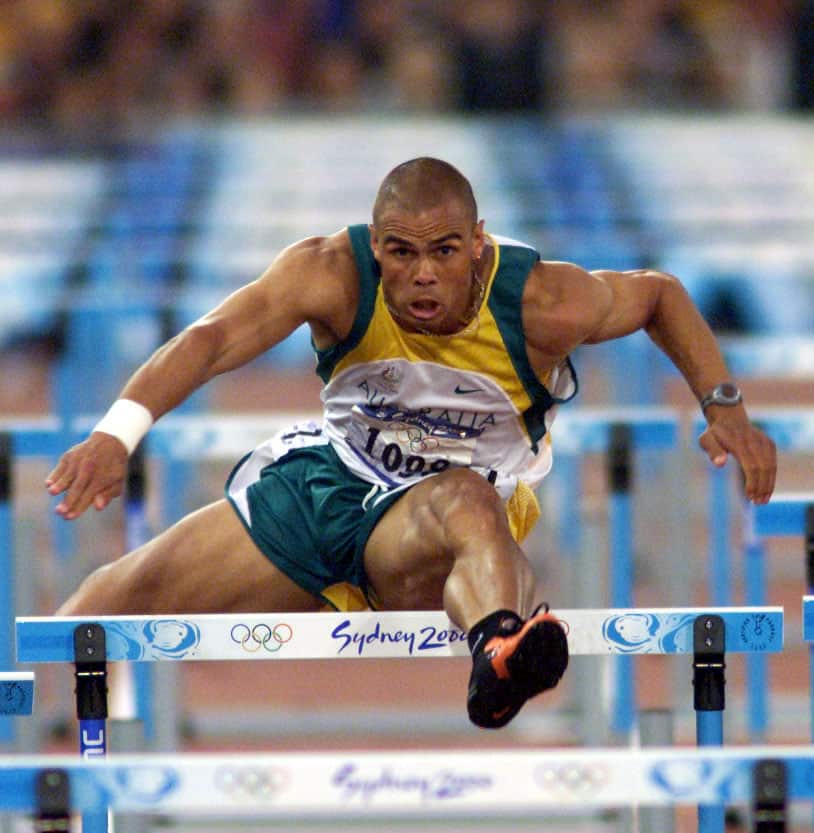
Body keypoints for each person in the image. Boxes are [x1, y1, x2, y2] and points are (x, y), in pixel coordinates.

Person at [45, 157, 777, 729]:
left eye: (445, 252)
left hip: (441, 528)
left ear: (478, 245)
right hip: (325, 487)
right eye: (400, 253)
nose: (423, 273)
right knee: (99, 607)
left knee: (464, 501)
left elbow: (659, 296)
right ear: (376, 248)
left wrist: (726, 407)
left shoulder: (542, 302)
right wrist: (117, 434)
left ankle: (498, 650)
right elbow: (211, 340)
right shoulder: (331, 273)